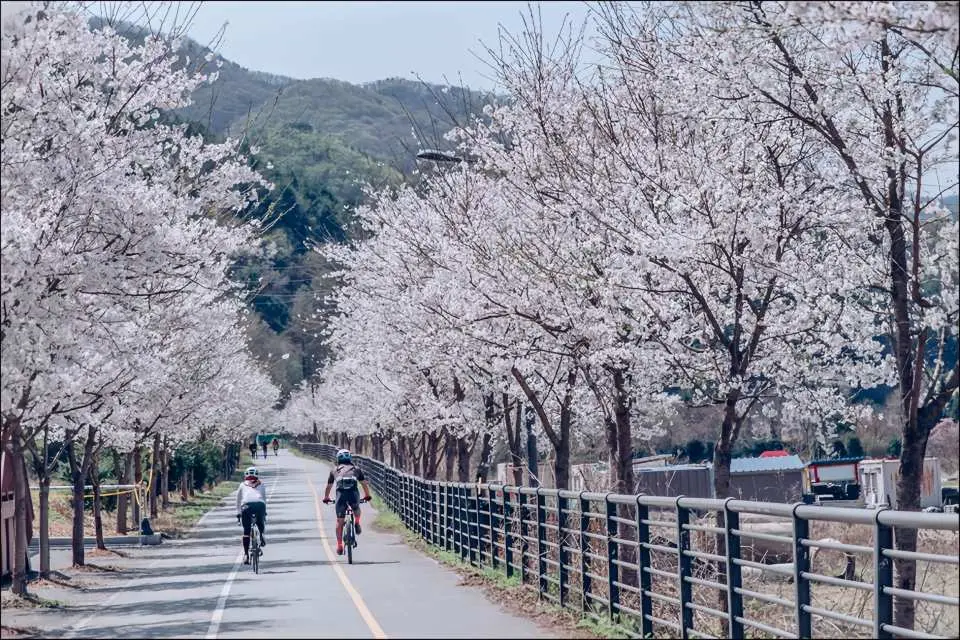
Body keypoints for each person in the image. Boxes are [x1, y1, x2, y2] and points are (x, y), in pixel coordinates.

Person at [322, 449, 372, 556]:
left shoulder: (334, 470)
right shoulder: (356, 469)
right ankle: (357, 522)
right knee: (356, 508)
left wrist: (326, 497)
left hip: (341, 497)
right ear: (350, 458)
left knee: (339, 521)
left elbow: (329, 486)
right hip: (353, 495)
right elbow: (364, 484)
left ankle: (339, 545)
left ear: (338, 459)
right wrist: (367, 496)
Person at [236, 466, 267, 564]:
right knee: (260, 522)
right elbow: (263, 498)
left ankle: (246, 555)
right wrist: (264, 512)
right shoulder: (261, 484)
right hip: (260, 505)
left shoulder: (242, 485)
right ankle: (261, 535)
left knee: (246, 531)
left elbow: (238, 500)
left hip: (246, 506)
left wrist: (238, 513)